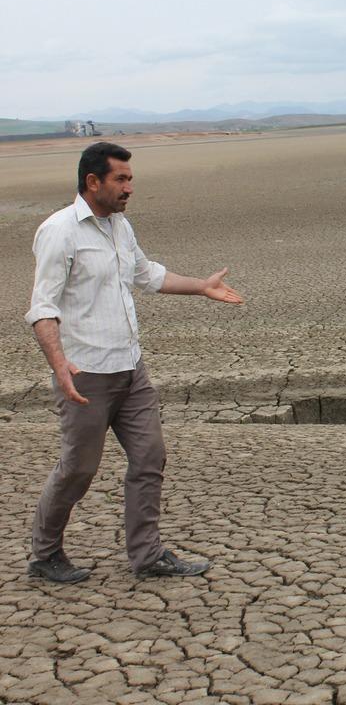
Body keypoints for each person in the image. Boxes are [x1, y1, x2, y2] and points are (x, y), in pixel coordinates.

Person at [24, 142, 244, 583]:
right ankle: (45, 555)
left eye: (130, 179)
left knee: (149, 458)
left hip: (130, 370)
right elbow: (42, 307)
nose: (129, 188)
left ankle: (148, 555)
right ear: (93, 182)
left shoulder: (121, 227)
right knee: (79, 469)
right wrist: (60, 365)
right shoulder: (60, 231)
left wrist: (201, 286)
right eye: (120, 179)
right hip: (86, 376)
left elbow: (148, 275)